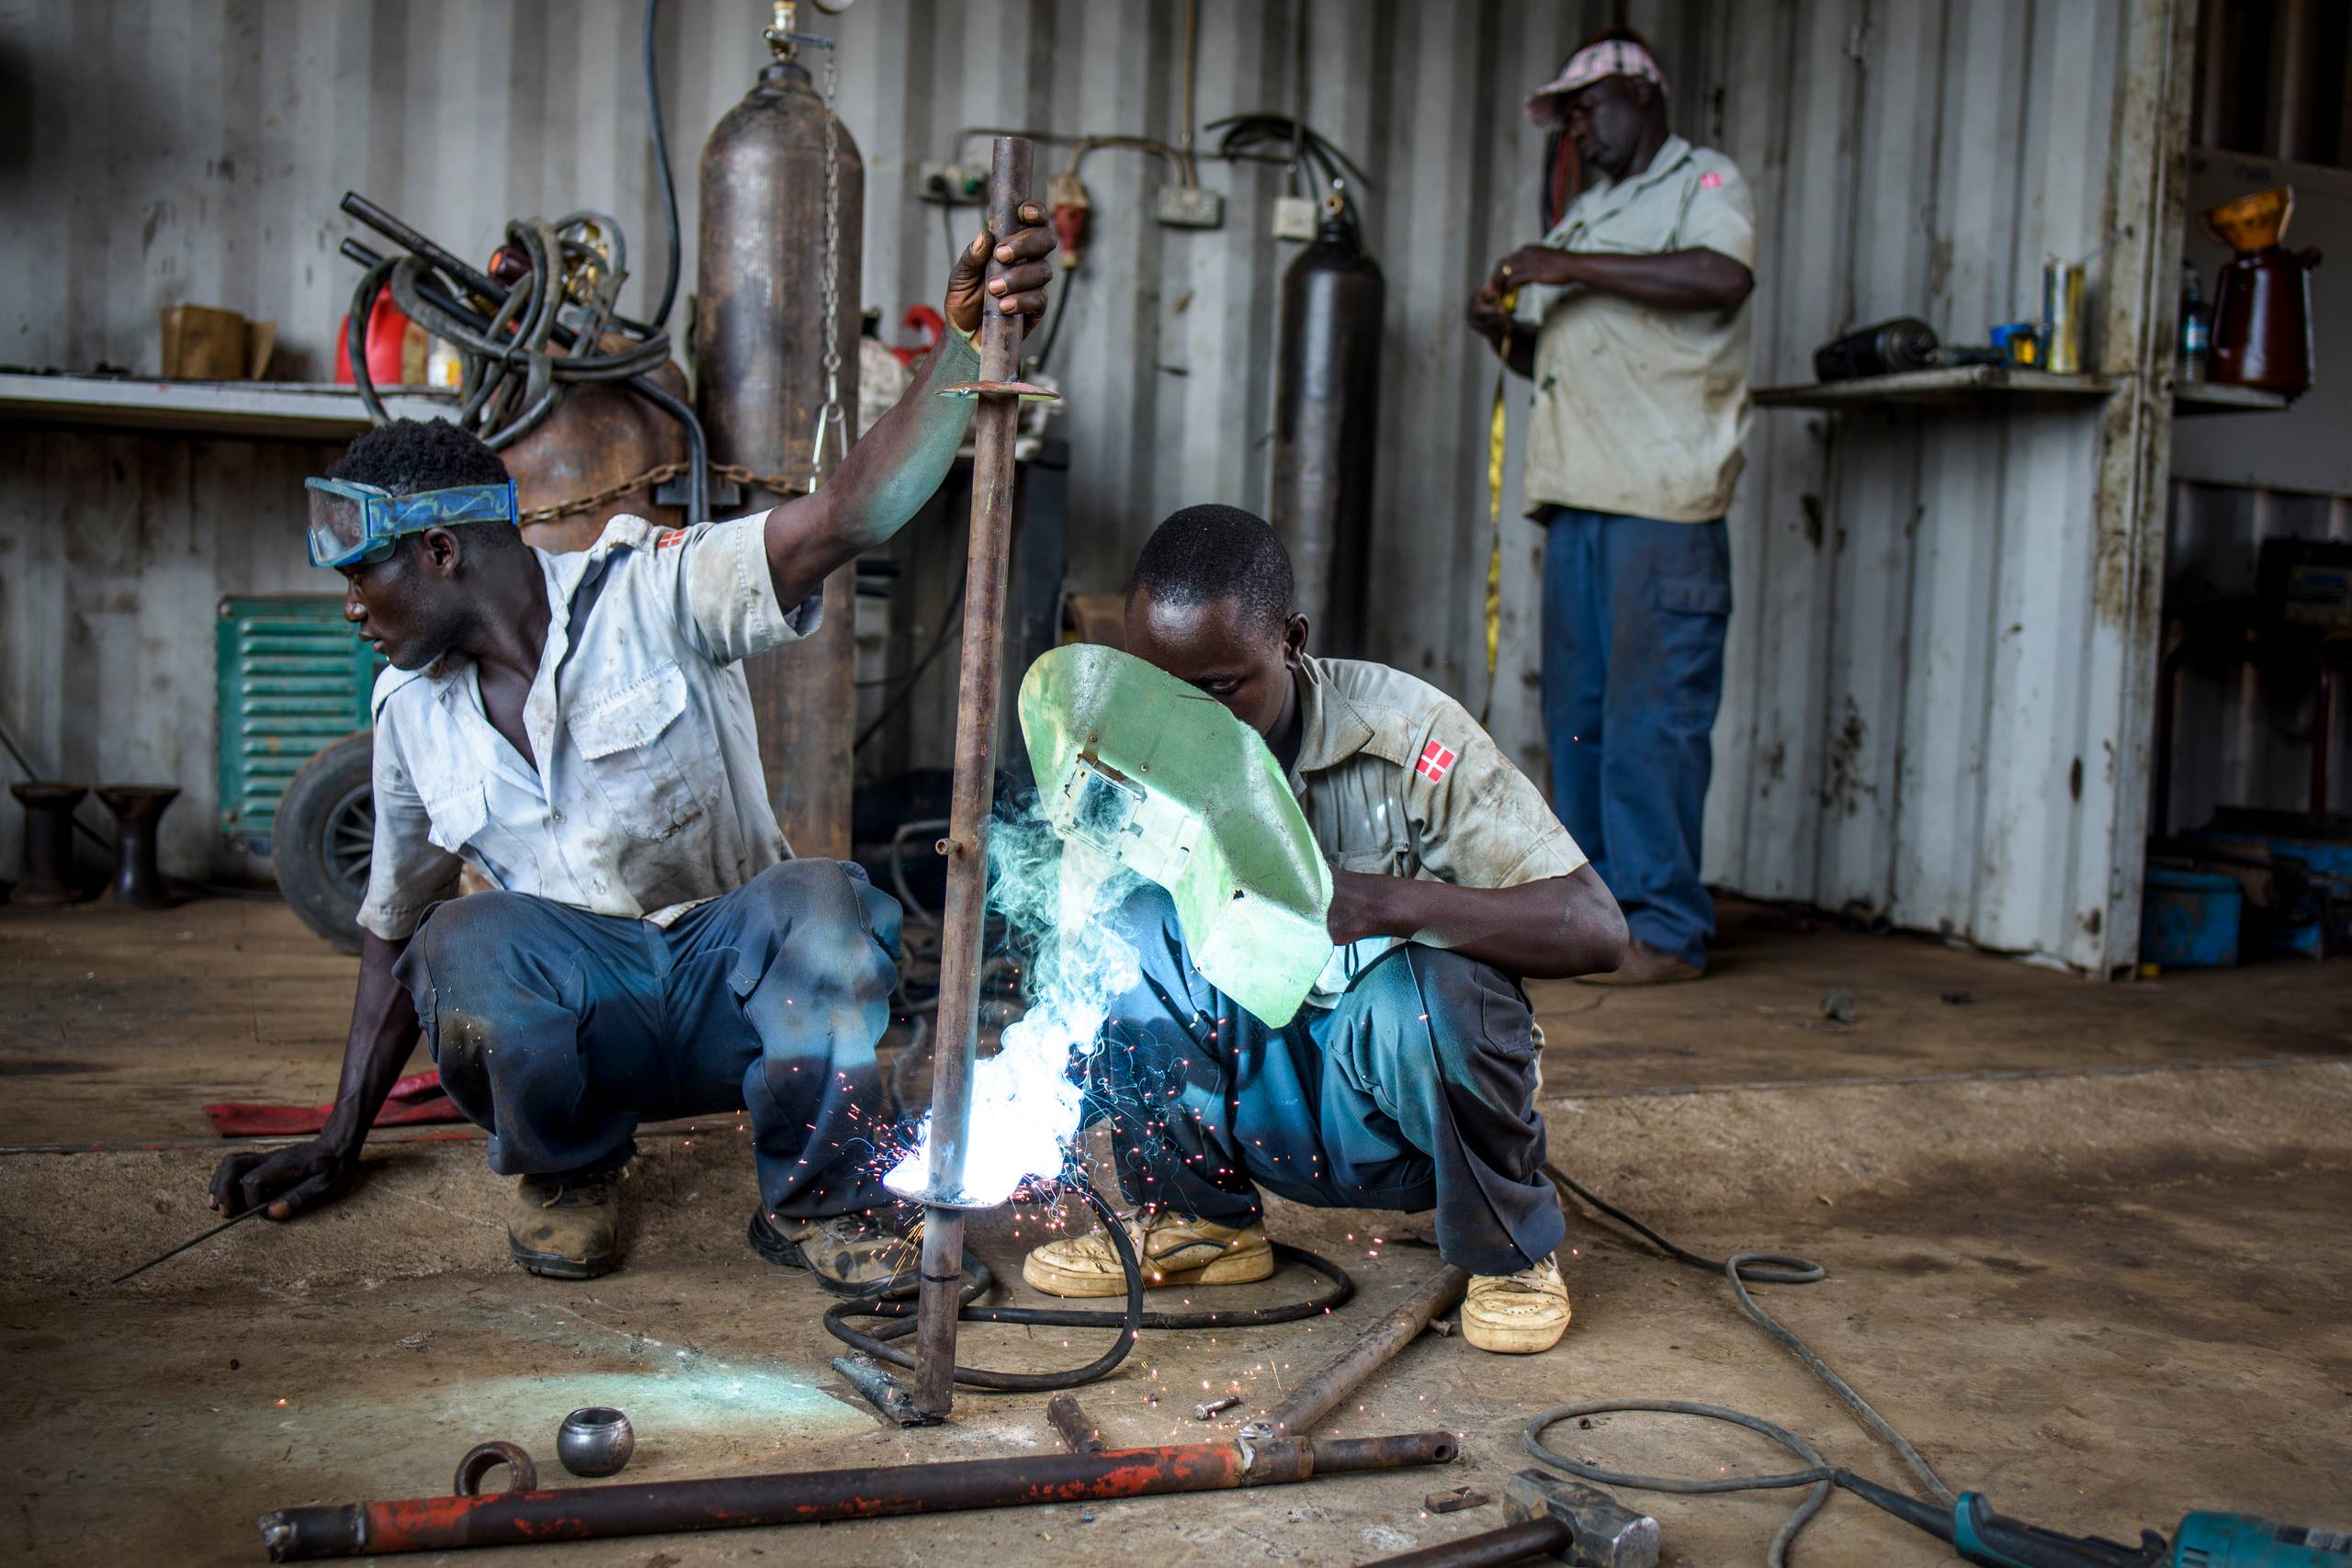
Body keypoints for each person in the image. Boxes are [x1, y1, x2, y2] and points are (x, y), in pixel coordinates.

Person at [206, 210, 1059, 1292]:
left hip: (734, 1005)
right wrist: (339, 1137)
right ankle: (568, 1174)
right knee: (459, 941)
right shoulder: (406, 711)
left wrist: (965, 351)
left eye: (360, 578)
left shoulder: (648, 590)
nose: (351, 611)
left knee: (823, 904)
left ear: (437, 552)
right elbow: (389, 935)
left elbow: (842, 517)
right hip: (585, 1037)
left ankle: (823, 1200)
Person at [1020, 505, 1627, 1355]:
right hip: (1257, 1091)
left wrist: (1390, 904)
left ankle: (1511, 1252)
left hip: (1395, 1112)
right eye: (1166, 693)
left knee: (1432, 990)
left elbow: (1598, 927)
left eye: (1223, 689)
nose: (1190, 723)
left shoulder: (1411, 737)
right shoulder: (1130, 748)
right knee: (1126, 929)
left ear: (1292, 641)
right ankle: (1199, 1219)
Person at [1468, 30, 1756, 985]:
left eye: (1586, 110)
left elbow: (1723, 279)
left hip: (1660, 506)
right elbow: (1558, 353)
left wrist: (1565, 266)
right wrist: (1504, 333)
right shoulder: (1591, 216)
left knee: (1652, 720)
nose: (1577, 133)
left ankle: (1666, 929)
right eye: (1566, 119)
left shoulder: (1700, 185)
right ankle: (1591, 923)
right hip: (1579, 502)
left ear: (1640, 92)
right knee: (1583, 719)